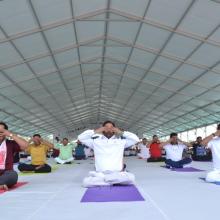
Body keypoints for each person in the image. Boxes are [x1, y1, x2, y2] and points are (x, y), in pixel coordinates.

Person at [78, 120, 139, 187]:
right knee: (85, 182)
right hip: (101, 173)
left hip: (116, 173)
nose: (109, 129)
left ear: (114, 130)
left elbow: (136, 139)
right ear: (102, 129)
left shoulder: (121, 142)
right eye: (106, 127)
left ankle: (103, 181)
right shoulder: (95, 142)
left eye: (111, 127)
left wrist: (121, 132)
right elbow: (81, 138)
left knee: (131, 178)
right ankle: (113, 181)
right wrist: (95, 131)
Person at [0, 122, 28, 190]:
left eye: (2, 131)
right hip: (3, 179)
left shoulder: (10, 143)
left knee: (13, 175)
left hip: (6, 173)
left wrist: (11, 134)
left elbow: (25, 146)